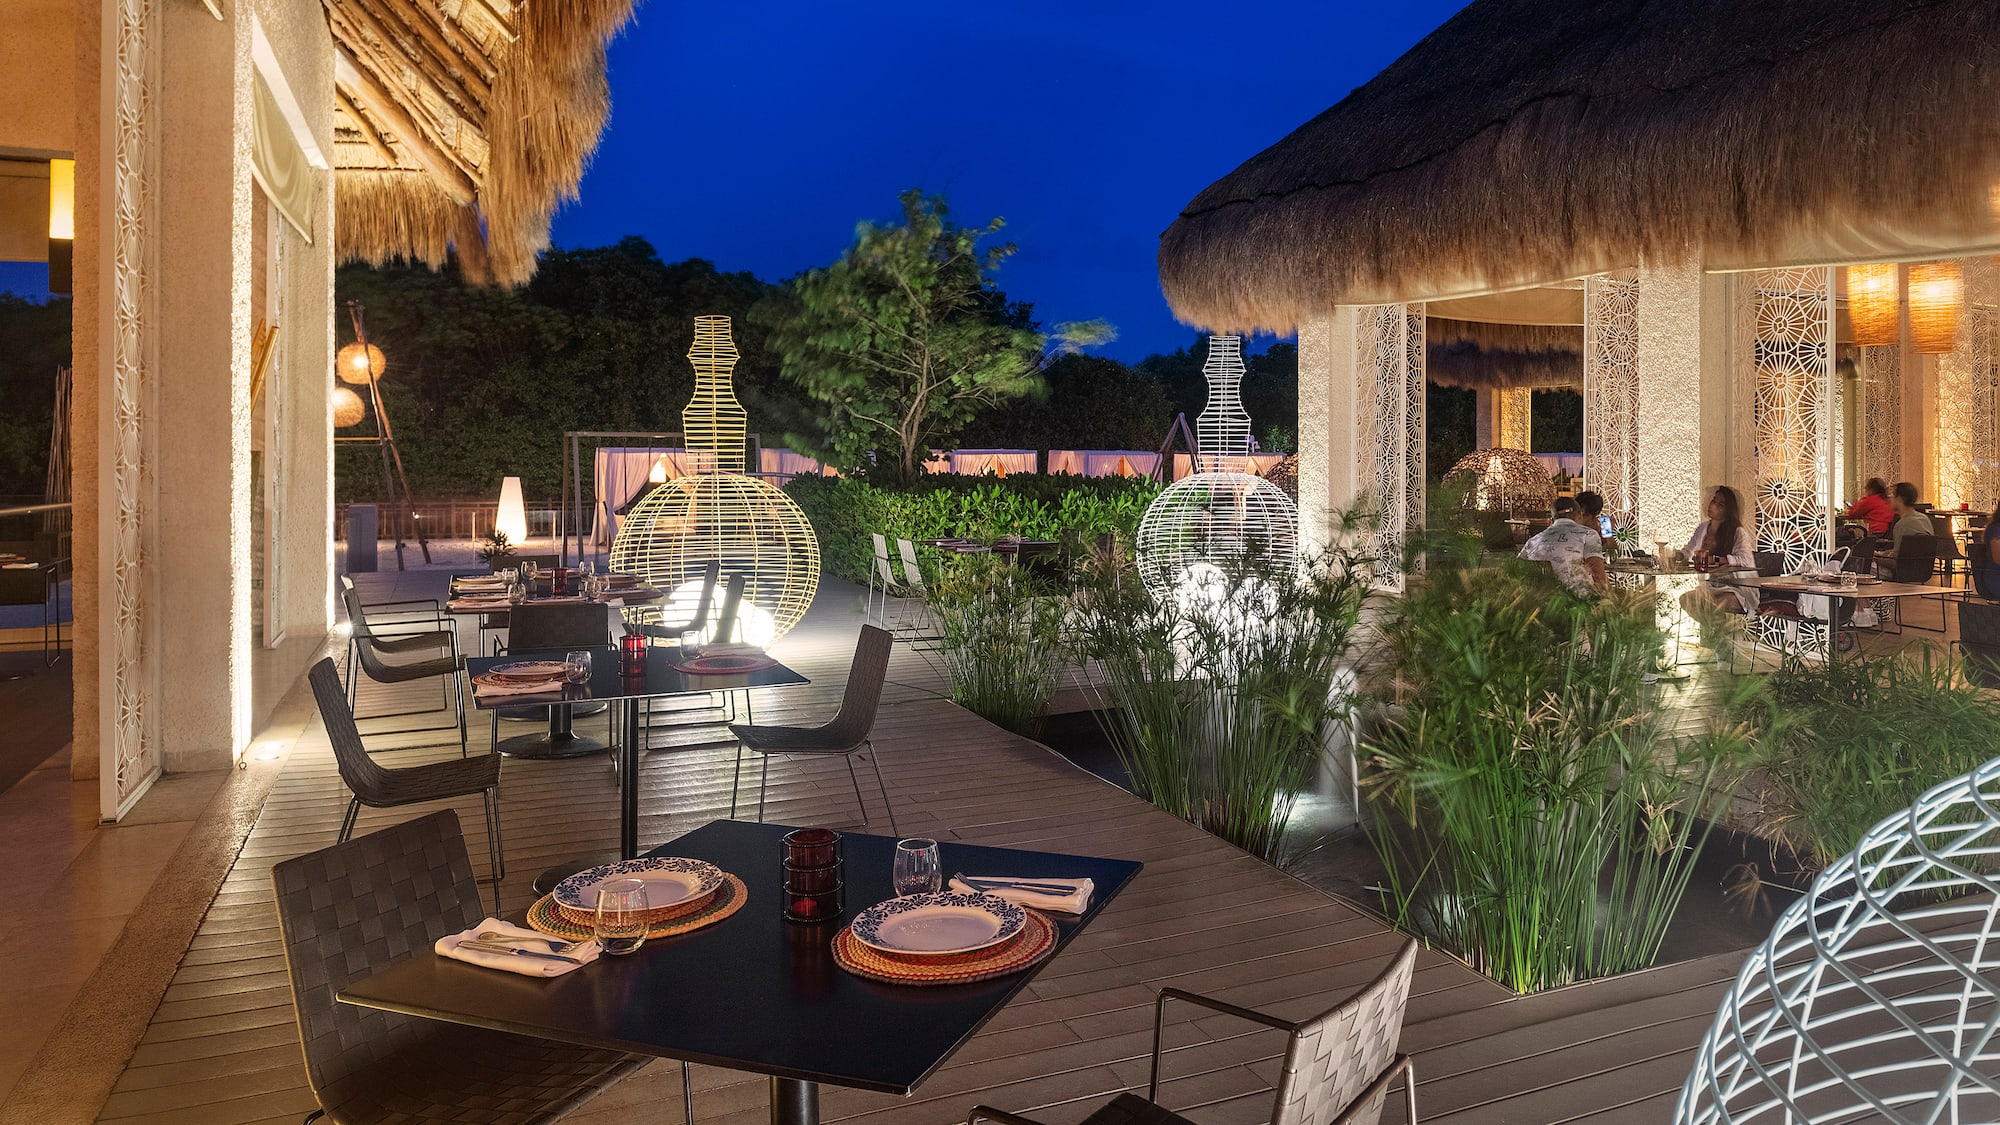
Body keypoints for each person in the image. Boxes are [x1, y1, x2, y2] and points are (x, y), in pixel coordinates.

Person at [1682, 485, 1757, 616]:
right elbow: (1688, 549)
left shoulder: (1737, 532)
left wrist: (1717, 559)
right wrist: (1677, 555)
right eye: (1713, 500)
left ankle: (1716, 632)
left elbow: (1745, 559)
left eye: (1720, 504)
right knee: (1686, 599)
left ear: (1727, 511)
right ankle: (1715, 632)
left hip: (1735, 589)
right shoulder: (1703, 528)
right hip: (1712, 585)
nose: (1713, 505)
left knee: (1711, 605)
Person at [1519, 496, 1608, 595]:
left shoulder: (1533, 541)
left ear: (1552, 519)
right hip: (1578, 601)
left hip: (1541, 600)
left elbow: (1516, 568)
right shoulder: (1588, 534)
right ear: (1580, 514)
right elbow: (1598, 576)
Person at [1879, 481, 1932, 562]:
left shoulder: (1902, 525)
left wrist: (1876, 560)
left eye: (1892, 495)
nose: (1889, 499)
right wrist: (1885, 554)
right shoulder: (1925, 519)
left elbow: (1897, 561)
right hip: (1924, 571)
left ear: (1900, 499)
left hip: (1901, 572)